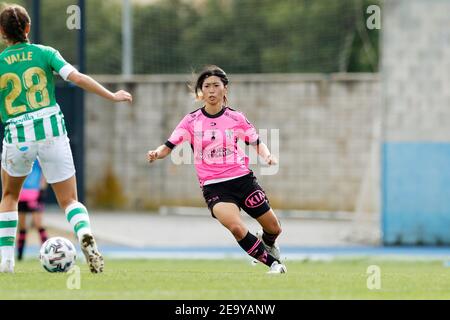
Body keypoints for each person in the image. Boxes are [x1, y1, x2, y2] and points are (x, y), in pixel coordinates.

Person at [0, 4, 132, 273]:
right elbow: (77, 78)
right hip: (51, 129)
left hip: (17, 133)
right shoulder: (45, 52)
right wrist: (112, 96)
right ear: (28, 28)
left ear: (2, 32)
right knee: (69, 200)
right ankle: (84, 233)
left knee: (10, 196)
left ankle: (6, 263)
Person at [147, 65, 287, 274]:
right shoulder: (191, 121)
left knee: (274, 228)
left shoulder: (236, 118)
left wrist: (267, 156)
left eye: (216, 85)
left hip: (243, 180)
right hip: (214, 187)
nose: (211, 90)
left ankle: (267, 242)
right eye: (206, 86)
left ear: (225, 89)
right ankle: (274, 264)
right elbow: (168, 146)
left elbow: (256, 142)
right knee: (236, 227)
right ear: (201, 92)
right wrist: (157, 153)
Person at [16, 160, 48, 261]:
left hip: (35, 192)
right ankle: (19, 256)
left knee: (38, 224)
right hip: (21, 194)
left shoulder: (38, 157)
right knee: (22, 226)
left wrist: (42, 189)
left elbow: (45, 173)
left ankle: (48, 252)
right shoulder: (21, 154)